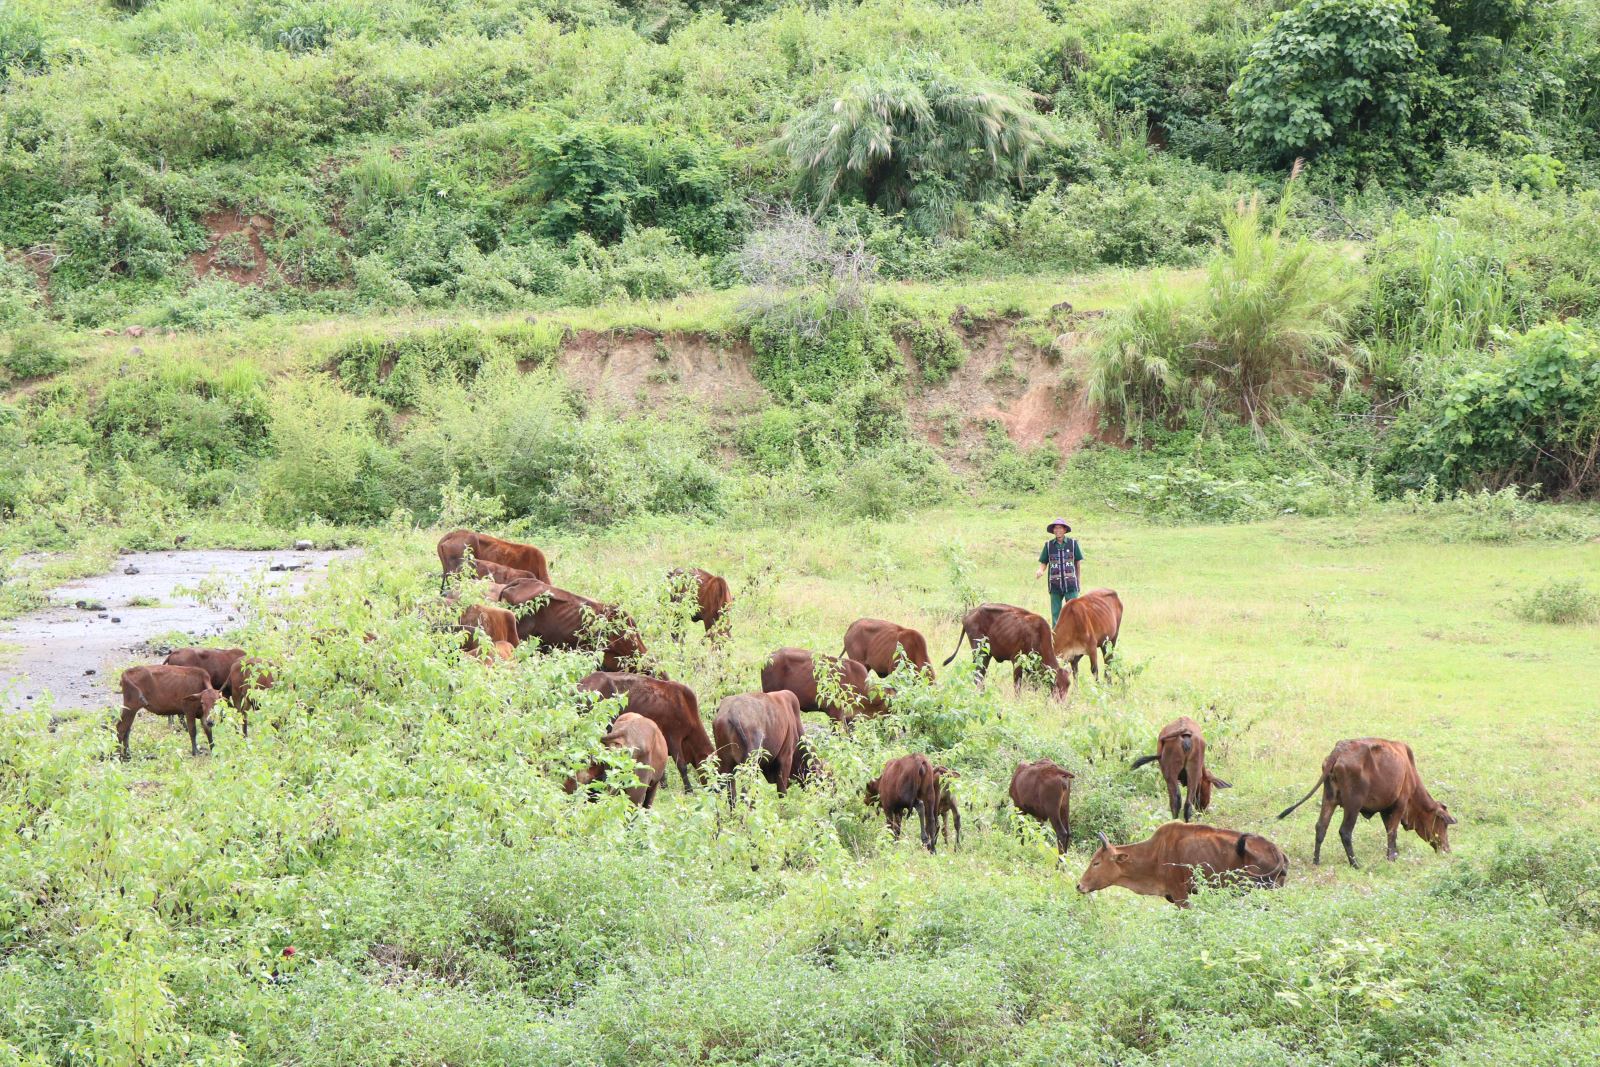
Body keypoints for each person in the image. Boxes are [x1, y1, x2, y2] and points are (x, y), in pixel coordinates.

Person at [1034, 518, 1084, 627]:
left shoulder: (1073, 544)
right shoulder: (1048, 545)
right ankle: (1056, 638)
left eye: (1060, 528)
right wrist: (1040, 570)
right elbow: (1044, 562)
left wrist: (1078, 582)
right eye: (1055, 528)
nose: (1058, 530)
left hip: (1071, 585)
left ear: (1065, 530)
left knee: (1074, 612)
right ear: (1053, 531)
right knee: (1056, 613)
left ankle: (1075, 635)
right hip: (1055, 585)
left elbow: (1077, 563)